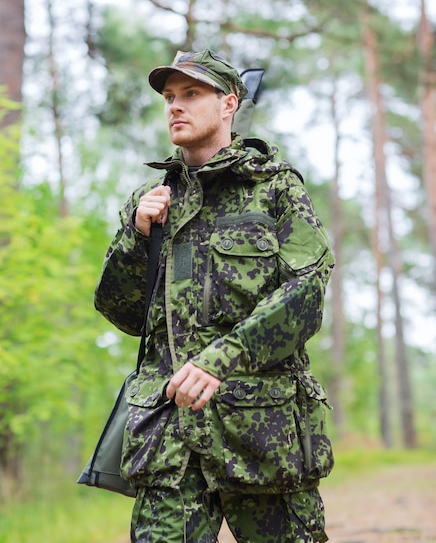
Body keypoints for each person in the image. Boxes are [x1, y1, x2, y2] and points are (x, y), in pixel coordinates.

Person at [95, 48, 335, 543]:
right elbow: (122, 313)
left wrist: (221, 358)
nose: (175, 107)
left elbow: (306, 291)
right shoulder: (151, 201)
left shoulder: (274, 189)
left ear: (229, 104)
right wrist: (136, 238)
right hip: (168, 440)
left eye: (191, 94)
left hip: (264, 432)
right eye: (168, 97)